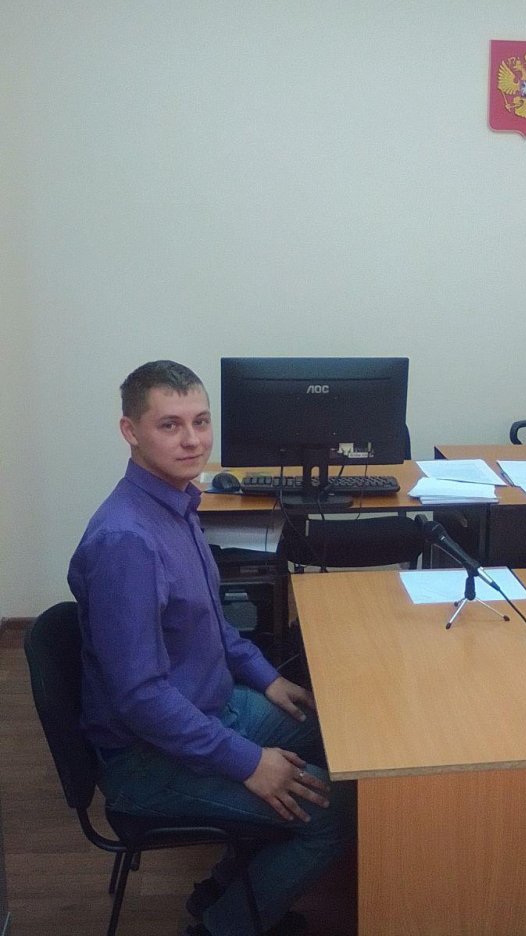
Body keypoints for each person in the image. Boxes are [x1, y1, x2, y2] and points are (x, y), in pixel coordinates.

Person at [68, 360, 355, 936]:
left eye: (200, 421)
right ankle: (221, 926)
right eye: (169, 425)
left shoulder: (178, 503)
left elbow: (213, 625)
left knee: (344, 738)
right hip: (147, 757)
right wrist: (248, 763)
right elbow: (141, 699)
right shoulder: (128, 541)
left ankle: (226, 885)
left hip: (209, 706)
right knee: (336, 814)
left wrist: (268, 677)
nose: (193, 440)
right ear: (130, 431)